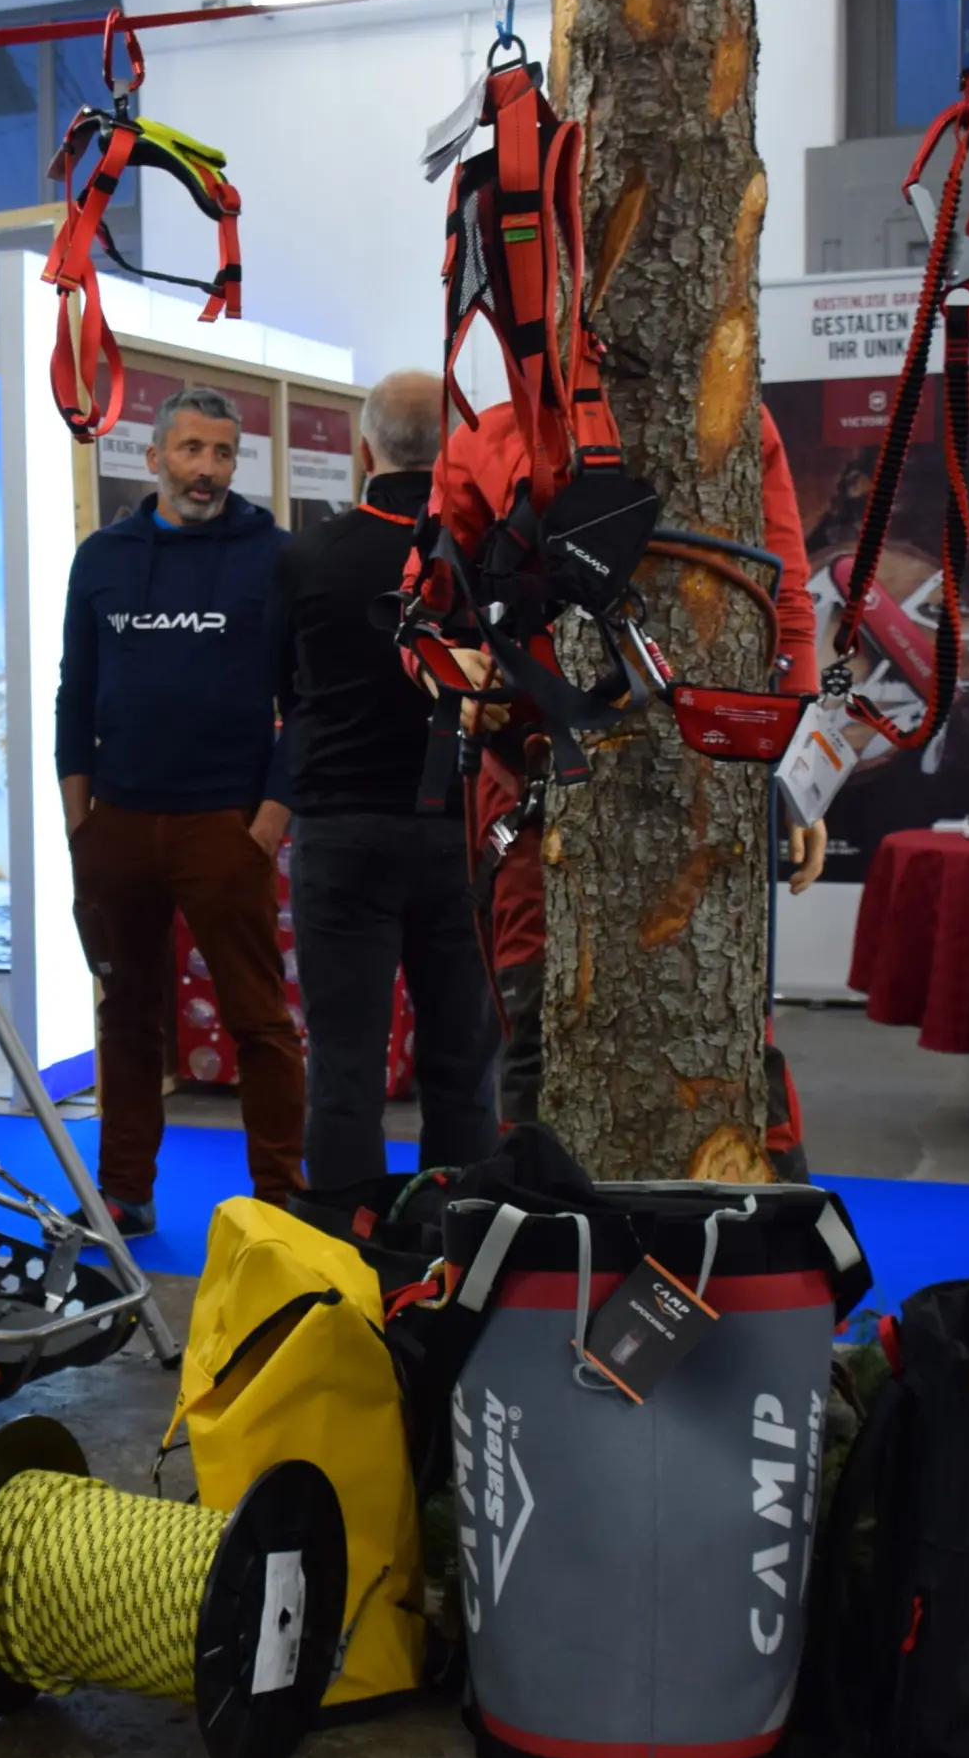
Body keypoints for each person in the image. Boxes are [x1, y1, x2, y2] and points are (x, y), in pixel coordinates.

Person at [469, 405, 823, 1127]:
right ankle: (545, 1225)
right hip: (540, 795)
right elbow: (429, 597)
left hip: (707, 789)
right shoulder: (493, 430)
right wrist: (449, 667)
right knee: (541, 1035)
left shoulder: (733, 412)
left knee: (729, 1042)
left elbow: (781, 594)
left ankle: (755, 1231)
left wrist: (802, 775)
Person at [56, 385, 302, 1231]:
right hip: (117, 824)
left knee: (260, 1021)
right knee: (125, 1014)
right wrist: (78, 821)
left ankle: (280, 1197)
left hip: (223, 824)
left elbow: (304, 701)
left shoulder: (272, 554)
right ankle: (123, 1191)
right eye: (192, 450)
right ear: (154, 456)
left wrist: (267, 820)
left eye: (224, 454)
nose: (208, 470)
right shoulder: (103, 558)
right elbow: (74, 693)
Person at [274, 370, 497, 1198]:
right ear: (457, 453)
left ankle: (343, 1250)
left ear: (365, 448)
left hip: (340, 829)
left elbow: (284, 694)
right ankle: (464, 1250)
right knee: (462, 1065)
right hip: (463, 830)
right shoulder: (483, 557)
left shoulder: (307, 556)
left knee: (344, 1065)